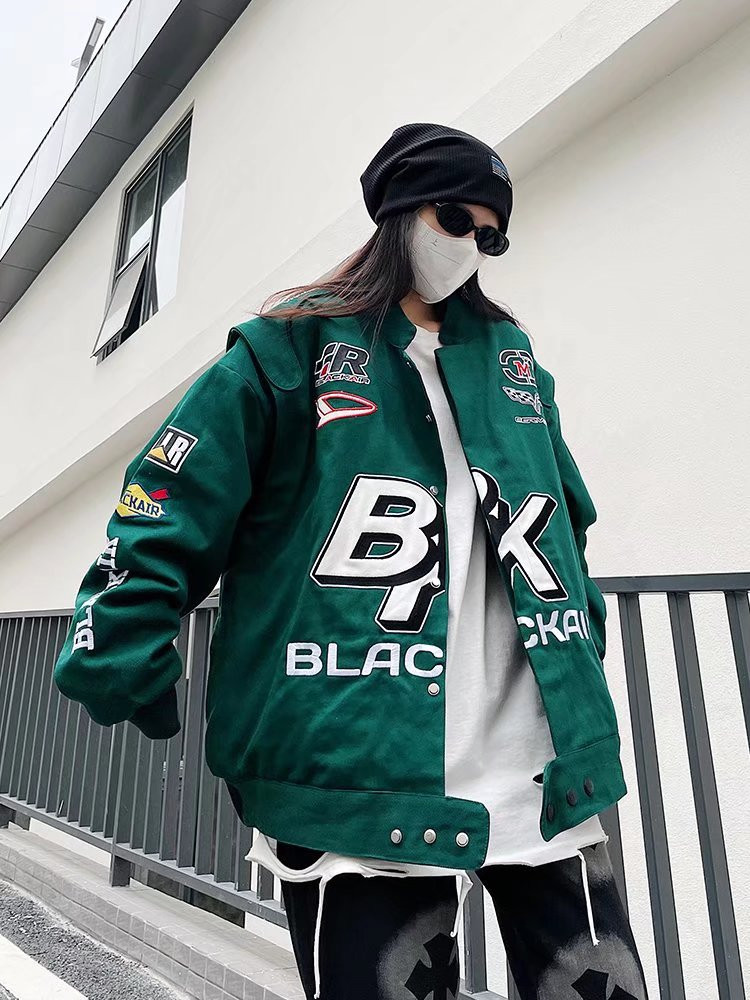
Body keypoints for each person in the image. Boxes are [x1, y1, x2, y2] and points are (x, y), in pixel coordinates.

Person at [53, 123, 649, 999]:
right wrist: (122, 644)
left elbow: (568, 522)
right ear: (400, 212)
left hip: (542, 762)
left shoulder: (513, 364)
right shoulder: (286, 348)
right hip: (359, 768)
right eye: (455, 219)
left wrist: (582, 643)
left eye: (492, 236)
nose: (471, 247)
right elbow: (168, 499)